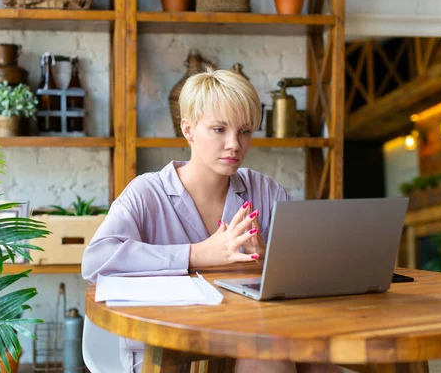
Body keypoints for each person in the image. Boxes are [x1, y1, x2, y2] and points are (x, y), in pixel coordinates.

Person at [82, 68, 341, 373]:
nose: (234, 144)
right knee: (268, 357)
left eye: (244, 131)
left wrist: (270, 257)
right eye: (219, 129)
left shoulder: (266, 191)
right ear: (188, 130)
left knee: (316, 359)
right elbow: (95, 263)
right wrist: (196, 254)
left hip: (250, 337)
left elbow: (312, 271)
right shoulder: (147, 192)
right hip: (170, 351)